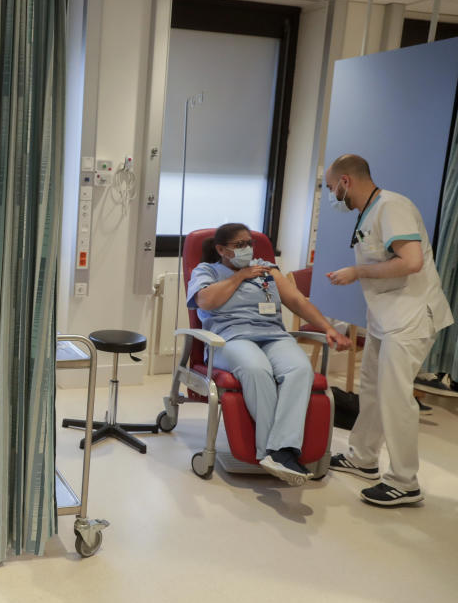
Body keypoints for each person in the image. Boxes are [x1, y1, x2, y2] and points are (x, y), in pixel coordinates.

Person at [324, 154, 453, 506]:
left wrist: (357, 273)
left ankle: (404, 481)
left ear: (346, 181)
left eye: (330, 186)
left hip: (409, 318)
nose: (331, 194)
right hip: (387, 317)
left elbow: (411, 262)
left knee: (395, 398)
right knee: (372, 390)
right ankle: (362, 458)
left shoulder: (393, 206)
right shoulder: (370, 211)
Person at [188, 223, 351, 486]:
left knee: (300, 369)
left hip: (274, 336)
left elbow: (298, 301)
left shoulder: (267, 269)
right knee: (256, 370)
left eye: (249, 243)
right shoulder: (207, 271)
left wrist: (328, 329)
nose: (247, 249)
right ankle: (272, 451)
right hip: (229, 338)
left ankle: (281, 451)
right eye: (239, 245)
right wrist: (239, 276)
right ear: (221, 249)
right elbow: (206, 301)